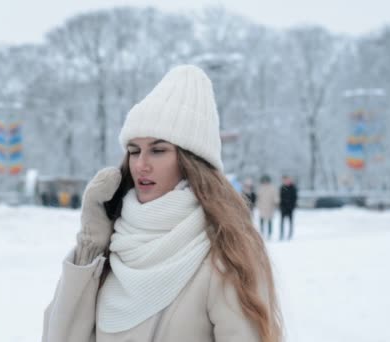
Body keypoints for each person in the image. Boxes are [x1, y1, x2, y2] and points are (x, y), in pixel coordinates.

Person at [42, 65, 283, 342]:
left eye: (158, 151)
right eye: (134, 151)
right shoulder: (112, 248)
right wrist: (90, 245)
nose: (141, 164)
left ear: (191, 162)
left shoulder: (225, 254)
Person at [256, 175, 278, 240]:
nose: (265, 182)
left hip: (270, 207)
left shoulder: (272, 188)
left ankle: (269, 233)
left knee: (269, 221)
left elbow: (275, 197)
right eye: (264, 181)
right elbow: (258, 198)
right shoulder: (260, 188)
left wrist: (276, 202)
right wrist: (258, 205)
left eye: (266, 181)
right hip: (262, 207)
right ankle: (262, 232)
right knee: (261, 220)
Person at [279, 175, 298, 240]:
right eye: (284, 180)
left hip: (290, 208)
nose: (286, 181)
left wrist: (292, 206)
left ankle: (290, 234)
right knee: (282, 222)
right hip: (283, 208)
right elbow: (280, 198)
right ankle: (281, 234)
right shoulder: (282, 187)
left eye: (287, 180)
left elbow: (294, 198)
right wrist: (281, 206)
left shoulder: (293, 188)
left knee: (290, 222)